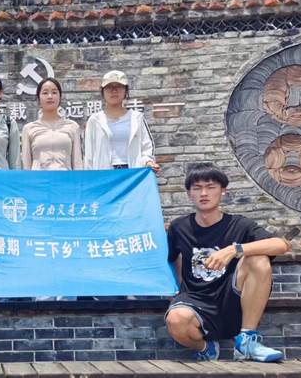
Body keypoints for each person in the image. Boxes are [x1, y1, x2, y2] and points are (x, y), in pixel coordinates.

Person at [165, 163, 290, 362]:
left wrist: (234, 250)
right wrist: (171, 288)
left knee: (258, 258)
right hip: (195, 300)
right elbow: (169, 259)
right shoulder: (179, 227)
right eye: (197, 188)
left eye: (211, 187)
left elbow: (281, 245)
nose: (204, 193)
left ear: (223, 191)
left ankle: (246, 341)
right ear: (189, 194)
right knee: (175, 319)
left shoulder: (239, 225)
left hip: (233, 298)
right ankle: (205, 348)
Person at [84, 70, 160, 172]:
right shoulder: (95, 120)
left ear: (125, 91)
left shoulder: (136, 118)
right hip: (104, 174)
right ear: (103, 92)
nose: (114, 91)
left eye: (118, 87)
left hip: (132, 173)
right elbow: (89, 155)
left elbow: (146, 147)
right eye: (109, 87)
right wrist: (90, 177)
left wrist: (148, 162)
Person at [21, 78, 83, 170]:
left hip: (65, 177)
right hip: (39, 177)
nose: (50, 96)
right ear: (38, 99)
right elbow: (26, 164)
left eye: (54, 92)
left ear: (60, 97)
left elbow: (77, 162)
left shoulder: (72, 127)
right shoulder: (29, 129)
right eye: (45, 93)